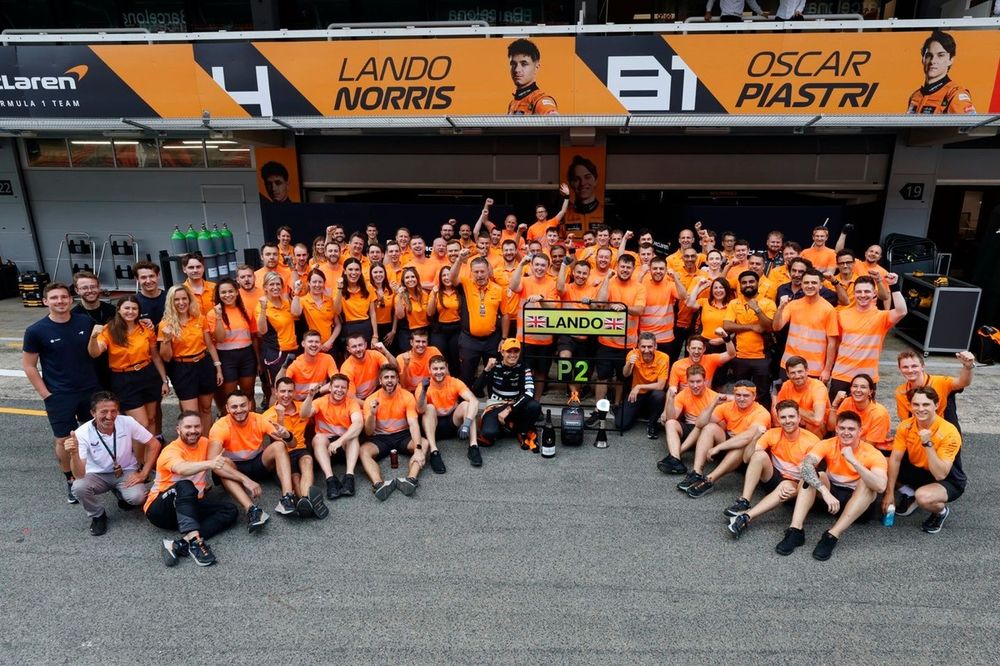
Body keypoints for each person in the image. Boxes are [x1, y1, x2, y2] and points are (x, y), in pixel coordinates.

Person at [23, 283, 101, 503]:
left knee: (91, 435)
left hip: (90, 390)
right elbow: (29, 365)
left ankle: (93, 474)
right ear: (46, 301)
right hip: (59, 395)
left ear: (70, 299)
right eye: (54, 298)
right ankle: (70, 479)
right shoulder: (36, 331)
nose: (60, 301)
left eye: (64, 297)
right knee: (64, 439)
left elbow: (97, 349)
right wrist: (46, 394)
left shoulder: (85, 322)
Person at [775, 411, 887, 561]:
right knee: (812, 474)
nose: (846, 432)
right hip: (831, 499)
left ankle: (832, 535)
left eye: (851, 429)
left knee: (868, 484)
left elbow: (880, 486)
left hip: (858, 506)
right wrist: (824, 492)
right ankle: (795, 530)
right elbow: (805, 466)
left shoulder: (872, 453)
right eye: (842, 428)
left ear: (860, 431)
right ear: (836, 429)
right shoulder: (827, 444)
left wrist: (854, 461)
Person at [145, 411, 240, 567]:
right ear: (178, 429)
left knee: (230, 510)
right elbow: (182, 469)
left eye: (196, 426)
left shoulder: (204, 442)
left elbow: (223, 460)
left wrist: (245, 480)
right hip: (160, 509)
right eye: (188, 427)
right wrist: (210, 464)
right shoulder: (170, 451)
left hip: (187, 509)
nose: (193, 430)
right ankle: (196, 544)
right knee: (185, 484)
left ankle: (180, 544)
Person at [64, 391, 160, 535]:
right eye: (104, 412)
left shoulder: (127, 422)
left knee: (137, 497)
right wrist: (74, 453)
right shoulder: (82, 433)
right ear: (93, 413)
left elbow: (154, 444)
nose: (109, 416)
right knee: (78, 487)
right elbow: (79, 474)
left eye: (113, 411)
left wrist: (144, 473)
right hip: (96, 474)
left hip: (125, 470)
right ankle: (97, 515)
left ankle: (120, 493)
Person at [725, 401, 819, 539]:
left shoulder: (812, 440)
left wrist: (797, 491)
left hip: (795, 486)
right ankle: (744, 501)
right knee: (758, 455)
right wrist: (755, 438)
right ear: (778, 419)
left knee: (786, 484)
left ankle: (746, 517)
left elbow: (813, 477)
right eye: (783, 417)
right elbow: (746, 458)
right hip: (774, 478)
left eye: (791, 417)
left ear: (799, 418)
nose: (787, 421)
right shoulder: (772, 434)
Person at [210, 391, 297, 529]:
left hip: (257, 463)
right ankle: (252, 509)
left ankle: (287, 498)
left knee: (279, 445)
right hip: (234, 469)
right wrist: (245, 480)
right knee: (221, 463)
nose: (239, 410)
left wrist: (287, 435)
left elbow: (292, 445)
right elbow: (212, 463)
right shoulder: (220, 427)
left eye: (243, 405)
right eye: (234, 407)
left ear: (250, 404)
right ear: (227, 408)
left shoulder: (259, 419)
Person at [884, 387, 966, 534]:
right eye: (916, 404)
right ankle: (909, 493)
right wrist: (889, 493)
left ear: (936, 405)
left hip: (947, 478)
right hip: (919, 471)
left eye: (926, 404)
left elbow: (940, 474)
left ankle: (940, 512)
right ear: (910, 406)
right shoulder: (906, 426)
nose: (920, 409)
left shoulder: (949, 432)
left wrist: (928, 444)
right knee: (882, 464)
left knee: (923, 497)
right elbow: (895, 459)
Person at [87, 296, 168, 431]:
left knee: (152, 418)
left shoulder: (145, 328)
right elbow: (94, 353)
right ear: (119, 310)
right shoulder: (109, 330)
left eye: (134, 308)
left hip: (148, 374)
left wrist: (164, 380)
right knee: (141, 424)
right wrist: (93, 337)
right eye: (127, 308)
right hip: (124, 379)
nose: (130, 311)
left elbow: (155, 356)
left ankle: (153, 451)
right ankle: (138, 452)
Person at [682, 381, 771, 498]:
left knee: (742, 444)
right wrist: (713, 404)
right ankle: (697, 472)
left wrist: (718, 448)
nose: (741, 399)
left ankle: (709, 480)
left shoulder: (762, 412)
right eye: (738, 395)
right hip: (730, 443)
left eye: (746, 395)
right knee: (709, 428)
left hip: (749, 454)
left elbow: (748, 436)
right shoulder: (728, 406)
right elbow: (699, 423)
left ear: (754, 397)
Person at [158, 285, 222, 434]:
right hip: (182, 368)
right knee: (191, 414)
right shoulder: (165, 324)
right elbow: (166, 357)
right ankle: (194, 444)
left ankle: (206, 441)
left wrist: (218, 368)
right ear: (171, 302)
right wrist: (167, 339)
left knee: (206, 408)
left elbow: (210, 345)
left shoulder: (199, 318)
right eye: (176, 300)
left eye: (184, 299)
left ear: (189, 300)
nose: (181, 303)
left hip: (203, 364)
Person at [830, 274, 906, 398]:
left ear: (874, 293)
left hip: (867, 377)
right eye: (859, 291)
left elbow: (902, 311)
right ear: (854, 293)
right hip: (841, 374)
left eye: (867, 291)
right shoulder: (842, 315)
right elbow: (836, 343)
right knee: (835, 412)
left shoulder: (881, 317)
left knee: (865, 415)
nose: (863, 295)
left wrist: (894, 286)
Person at [590, 254, 647, 422]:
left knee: (622, 378)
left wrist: (623, 308)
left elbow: (639, 310)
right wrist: (607, 278)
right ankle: (598, 409)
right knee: (602, 377)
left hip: (627, 343)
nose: (625, 270)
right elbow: (600, 302)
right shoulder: (609, 282)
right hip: (606, 341)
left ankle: (616, 405)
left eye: (628, 267)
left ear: (633, 269)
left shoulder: (639, 287)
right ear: (617, 266)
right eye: (622, 266)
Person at [263, 377, 327, 519]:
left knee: (308, 461)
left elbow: (318, 413)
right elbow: (280, 439)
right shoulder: (268, 415)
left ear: (294, 392)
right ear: (275, 392)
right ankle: (308, 501)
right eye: (283, 391)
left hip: (300, 448)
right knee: (295, 478)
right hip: (283, 453)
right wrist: (280, 417)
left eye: (290, 391)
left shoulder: (302, 407)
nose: (286, 395)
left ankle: (305, 500)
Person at [360, 365, 426, 500]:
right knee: (363, 451)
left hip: (402, 435)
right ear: (380, 380)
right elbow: (368, 431)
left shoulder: (407, 396)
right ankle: (378, 484)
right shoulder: (370, 400)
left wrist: (418, 449)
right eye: (386, 377)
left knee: (424, 443)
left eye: (393, 377)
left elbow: (413, 423)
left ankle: (411, 480)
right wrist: (372, 414)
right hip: (380, 437)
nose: (389, 381)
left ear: (397, 380)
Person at [474, 338, 542, 452]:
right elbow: (476, 389)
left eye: (516, 351)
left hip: (514, 406)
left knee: (534, 406)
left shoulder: (525, 368)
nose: (513, 355)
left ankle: (521, 431)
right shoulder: (494, 366)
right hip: (496, 406)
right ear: (502, 352)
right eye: (509, 351)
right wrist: (486, 369)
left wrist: (509, 409)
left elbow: (529, 393)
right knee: (489, 433)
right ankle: (507, 427)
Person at [303, 373, 363, 500]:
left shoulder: (351, 402)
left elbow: (358, 423)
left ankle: (349, 477)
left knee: (354, 436)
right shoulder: (320, 401)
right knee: (318, 438)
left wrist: (340, 441)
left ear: (347, 390)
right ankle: (330, 479)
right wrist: (310, 395)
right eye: (336, 387)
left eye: (343, 387)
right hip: (325, 447)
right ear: (330, 388)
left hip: (344, 443)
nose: (339, 390)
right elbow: (304, 414)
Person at [773, 269, 839, 382]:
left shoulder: (829, 310)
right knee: (787, 398)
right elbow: (776, 327)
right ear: (801, 285)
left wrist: (827, 370)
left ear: (821, 286)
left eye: (814, 283)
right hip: (789, 365)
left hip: (813, 368)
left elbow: (832, 343)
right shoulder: (792, 305)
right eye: (806, 282)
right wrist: (780, 308)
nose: (810, 286)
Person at [450, 253, 505, 388]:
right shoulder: (466, 283)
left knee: (493, 375)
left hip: (492, 339)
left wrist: (504, 338)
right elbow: (452, 278)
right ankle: (466, 404)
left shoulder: (498, 289)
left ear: (488, 271)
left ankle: (493, 404)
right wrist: (458, 260)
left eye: (482, 271)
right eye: (476, 272)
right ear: (471, 272)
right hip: (469, 339)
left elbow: (505, 315)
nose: (479, 275)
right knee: (466, 375)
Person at [510, 252, 560, 397]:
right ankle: (523, 400)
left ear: (548, 267)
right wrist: (520, 264)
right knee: (524, 372)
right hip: (524, 338)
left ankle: (536, 402)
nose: (539, 268)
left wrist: (541, 299)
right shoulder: (525, 281)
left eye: (543, 265)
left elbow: (553, 307)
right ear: (531, 266)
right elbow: (513, 286)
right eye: (536, 264)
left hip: (545, 340)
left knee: (541, 374)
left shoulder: (552, 283)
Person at [723, 271, 776, 406]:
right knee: (741, 393)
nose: (748, 285)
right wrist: (752, 327)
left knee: (762, 393)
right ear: (740, 285)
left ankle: (763, 422)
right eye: (744, 282)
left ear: (757, 283)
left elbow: (768, 327)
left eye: (751, 282)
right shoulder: (734, 303)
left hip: (762, 358)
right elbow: (727, 325)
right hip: (740, 356)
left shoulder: (768, 303)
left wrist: (757, 309)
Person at [421, 355, 480, 468]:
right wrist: (423, 391)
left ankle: (473, 446)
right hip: (434, 426)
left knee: (467, 405)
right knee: (429, 408)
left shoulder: (455, 382)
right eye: (435, 369)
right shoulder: (424, 385)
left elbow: (475, 401)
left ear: (446, 368)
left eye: (442, 368)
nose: (439, 372)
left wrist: (466, 424)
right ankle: (434, 452)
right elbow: (420, 409)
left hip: (453, 424)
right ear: (429, 370)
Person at [659, 365, 719, 475]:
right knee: (670, 423)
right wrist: (671, 399)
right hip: (689, 428)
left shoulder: (713, 397)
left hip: (705, 434)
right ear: (687, 381)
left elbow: (719, 424)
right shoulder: (683, 394)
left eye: (698, 381)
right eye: (692, 382)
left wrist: (701, 421)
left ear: (705, 381)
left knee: (702, 426)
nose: (695, 385)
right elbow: (671, 418)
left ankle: (674, 455)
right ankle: (676, 461)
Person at [208, 279, 258, 413]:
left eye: (230, 291)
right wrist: (219, 317)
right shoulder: (213, 314)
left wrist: (258, 361)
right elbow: (219, 338)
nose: (227, 295)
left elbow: (253, 336)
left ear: (237, 292)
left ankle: (251, 425)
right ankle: (230, 427)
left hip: (247, 355)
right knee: (229, 397)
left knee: (248, 393)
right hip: (226, 357)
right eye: (223, 292)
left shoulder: (246, 310)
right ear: (218, 295)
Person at [894, 349, 975, 430]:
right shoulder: (900, 391)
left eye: (914, 366)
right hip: (918, 433)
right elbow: (905, 421)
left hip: (944, 433)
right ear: (900, 369)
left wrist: (968, 367)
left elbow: (963, 382)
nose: (910, 370)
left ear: (922, 366)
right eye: (905, 367)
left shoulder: (941, 382)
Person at [907, 30, 975, 115]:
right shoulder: (915, 96)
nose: (933, 61)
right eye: (929, 55)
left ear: (950, 60)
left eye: (940, 55)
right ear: (923, 59)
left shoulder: (954, 94)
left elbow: (970, 127)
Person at [256, 271, 298, 400]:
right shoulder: (261, 306)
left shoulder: (286, 302)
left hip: (292, 349)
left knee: (291, 389)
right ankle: (272, 419)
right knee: (277, 392)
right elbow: (262, 331)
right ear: (265, 288)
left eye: (278, 284)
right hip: (275, 353)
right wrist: (263, 309)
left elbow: (296, 314)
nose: (275, 287)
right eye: (271, 284)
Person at [618, 333, 669, 438]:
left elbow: (661, 385)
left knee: (659, 395)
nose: (646, 350)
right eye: (643, 346)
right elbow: (625, 374)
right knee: (620, 424)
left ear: (655, 346)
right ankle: (638, 411)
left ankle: (652, 424)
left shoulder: (663, 357)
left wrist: (639, 386)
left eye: (650, 346)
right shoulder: (633, 353)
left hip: (652, 393)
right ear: (638, 346)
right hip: (637, 394)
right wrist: (629, 364)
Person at [71, 270, 115, 390]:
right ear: (77, 290)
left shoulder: (114, 311)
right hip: (90, 375)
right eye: (84, 288)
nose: (90, 291)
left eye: (93, 287)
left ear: (99, 287)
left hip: (114, 371)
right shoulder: (72, 316)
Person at [828, 374, 891, 452]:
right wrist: (835, 404)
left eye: (863, 387)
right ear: (850, 389)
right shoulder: (847, 402)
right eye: (855, 386)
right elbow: (832, 427)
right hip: (850, 444)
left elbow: (868, 447)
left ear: (870, 392)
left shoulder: (879, 413)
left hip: (875, 450)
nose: (858, 390)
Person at [640, 257, 687, 359]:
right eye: (655, 268)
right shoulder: (643, 285)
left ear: (666, 270)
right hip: (645, 337)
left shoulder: (670, 285)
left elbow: (683, 296)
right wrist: (641, 274)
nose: (658, 271)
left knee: (664, 370)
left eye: (661, 269)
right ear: (650, 269)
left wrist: (675, 278)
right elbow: (632, 295)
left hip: (666, 338)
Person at [773, 356, 830, 439]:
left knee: (814, 424)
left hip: (815, 427)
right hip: (796, 421)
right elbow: (778, 410)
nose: (797, 376)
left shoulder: (818, 387)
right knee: (782, 420)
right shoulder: (786, 385)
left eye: (800, 371)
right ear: (787, 374)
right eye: (793, 373)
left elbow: (817, 419)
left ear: (807, 371)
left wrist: (792, 408)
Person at [335, 257, 377, 355]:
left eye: (357, 269)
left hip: (366, 327)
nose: (354, 272)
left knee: (368, 357)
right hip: (348, 328)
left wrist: (375, 335)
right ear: (345, 271)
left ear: (361, 271)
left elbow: (373, 313)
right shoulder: (338, 289)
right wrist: (340, 289)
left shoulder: (368, 287)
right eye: (350, 269)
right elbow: (337, 311)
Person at [279, 330, 337, 400]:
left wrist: (316, 392)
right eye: (310, 341)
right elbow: (281, 385)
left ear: (320, 344)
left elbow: (336, 381)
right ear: (303, 344)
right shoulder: (295, 364)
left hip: (319, 398)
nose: (314, 344)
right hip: (299, 401)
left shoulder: (328, 358)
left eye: (317, 342)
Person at [291, 269, 339, 353]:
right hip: (311, 348)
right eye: (314, 282)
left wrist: (330, 341)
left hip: (329, 347)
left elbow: (338, 325)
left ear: (324, 283)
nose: (317, 285)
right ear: (309, 283)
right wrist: (296, 293)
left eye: (320, 282)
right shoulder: (303, 300)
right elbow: (295, 312)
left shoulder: (330, 301)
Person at [507, 38, 558, 115]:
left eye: (524, 64)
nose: (517, 70)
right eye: (513, 64)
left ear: (536, 67)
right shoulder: (512, 103)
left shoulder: (540, 100)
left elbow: (556, 123)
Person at [668, 334, 735, 392]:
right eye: (693, 348)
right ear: (688, 349)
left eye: (699, 348)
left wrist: (726, 338)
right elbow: (672, 389)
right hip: (685, 401)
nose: (696, 351)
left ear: (704, 349)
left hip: (706, 400)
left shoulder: (711, 359)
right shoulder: (677, 365)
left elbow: (731, 354)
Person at [340, 332, 396, 400]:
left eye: (360, 345)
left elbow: (394, 369)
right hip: (360, 400)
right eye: (354, 346)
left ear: (365, 345)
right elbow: (352, 399)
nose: (358, 349)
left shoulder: (374, 354)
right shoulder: (346, 368)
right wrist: (369, 405)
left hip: (376, 392)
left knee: (395, 383)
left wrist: (385, 351)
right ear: (348, 349)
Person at [428, 265, 461, 374]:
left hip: (457, 328)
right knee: (440, 357)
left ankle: (455, 381)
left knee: (455, 358)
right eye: (444, 275)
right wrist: (434, 294)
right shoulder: (436, 292)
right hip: (440, 329)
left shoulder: (460, 291)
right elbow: (430, 312)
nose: (447, 277)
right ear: (440, 278)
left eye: (449, 274)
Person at [395, 328, 442, 394]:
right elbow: (403, 385)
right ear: (411, 342)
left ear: (427, 342)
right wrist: (406, 365)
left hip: (431, 391)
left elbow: (445, 374)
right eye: (417, 341)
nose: (421, 345)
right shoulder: (401, 358)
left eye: (423, 342)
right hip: (411, 393)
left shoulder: (434, 351)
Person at [564, 155, 603, 235]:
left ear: (595, 180)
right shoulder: (565, 215)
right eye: (576, 179)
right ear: (571, 184)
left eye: (587, 177)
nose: (582, 183)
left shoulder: (605, 212)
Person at [395, 266, 429, 352]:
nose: (410, 279)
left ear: (417, 278)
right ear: (403, 281)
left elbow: (430, 313)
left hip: (425, 330)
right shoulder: (400, 297)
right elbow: (399, 316)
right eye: (407, 277)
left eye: (413, 277)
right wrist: (399, 296)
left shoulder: (424, 294)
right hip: (407, 333)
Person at [180, 253, 216, 318]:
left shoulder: (214, 287)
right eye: (191, 267)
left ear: (203, 268)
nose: (195, 270)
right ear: (184, 269)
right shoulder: (181, 291)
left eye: (198, 267)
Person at [134, 260, 166, 328]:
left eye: (151, 276)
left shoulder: (170, 298)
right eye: (143, 277)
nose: (148, 281)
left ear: (158, 276)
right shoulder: (133, 302)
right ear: (137, 279)